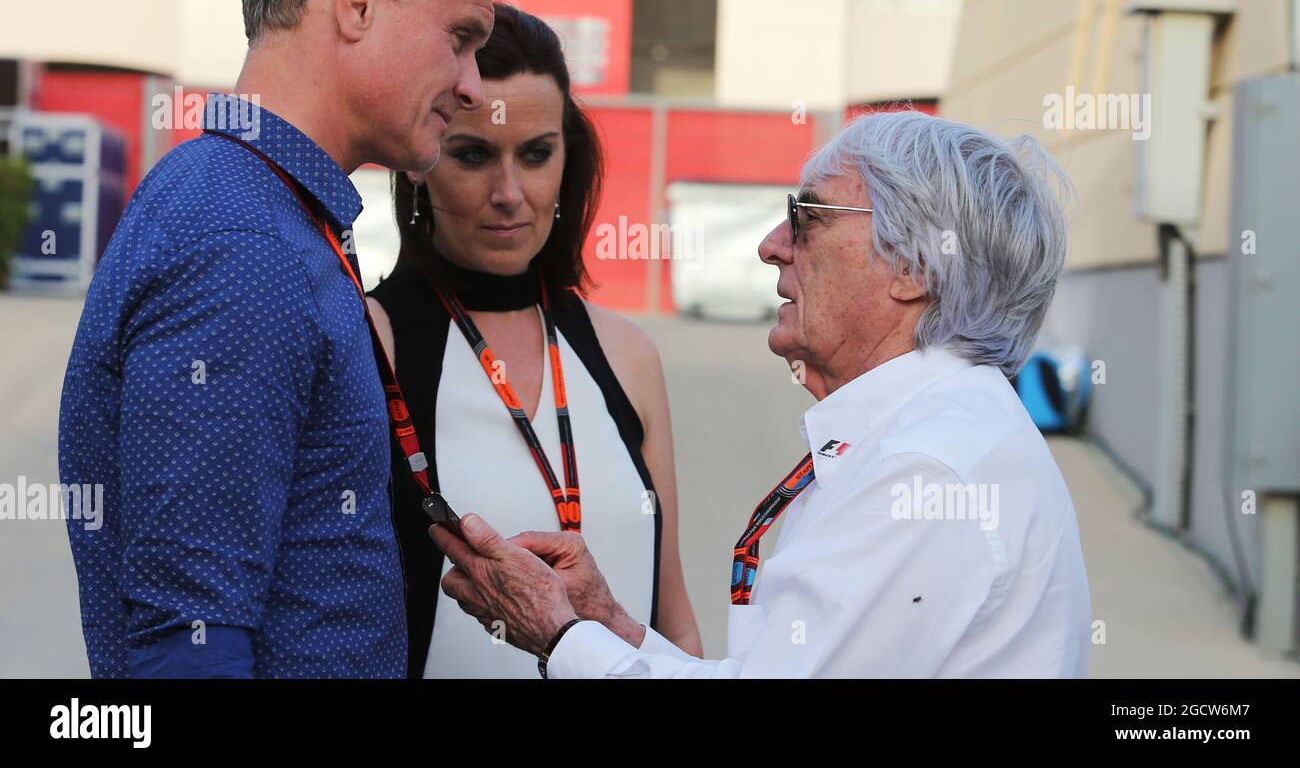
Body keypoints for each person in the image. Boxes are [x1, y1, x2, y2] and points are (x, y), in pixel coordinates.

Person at [430, 110, 1094, 678]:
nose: (771, 246)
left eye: (806, 216)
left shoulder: (926, 469)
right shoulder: (943, 437)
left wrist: (558, 633)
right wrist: (602, 620)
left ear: (914, 268)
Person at [57, 0, 507, 678]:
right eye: (461, 38)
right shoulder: (244, 241)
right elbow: (189, 643)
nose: (473, 86)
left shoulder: (260, 211)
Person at [366, 3, 701, 677]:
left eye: (537, 154)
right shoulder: (374, 338)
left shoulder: (628, 355)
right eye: (473, 155)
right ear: (418, 160)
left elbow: (674, 625)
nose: (510, 193)